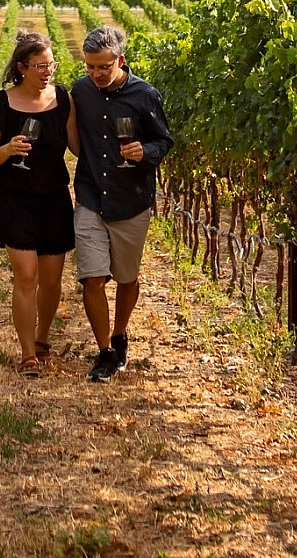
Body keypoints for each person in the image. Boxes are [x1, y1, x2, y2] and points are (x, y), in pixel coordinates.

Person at [69, 26, 172, 383]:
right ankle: (105, 352)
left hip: (131, 200)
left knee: (127, 278)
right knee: (92, 278)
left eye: (103, 67)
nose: (96, 74)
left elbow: (164, 141)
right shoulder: (80, 91)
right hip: (90, 196)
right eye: (90, 67)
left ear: (120, 60)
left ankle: (120, 333)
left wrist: (145, 152)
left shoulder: (145, 95)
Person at [0, 31, 75, 377]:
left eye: (51, 64)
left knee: (51, 281)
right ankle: (27, 353)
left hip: (55, 200)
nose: (47, 71)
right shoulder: (1, 105)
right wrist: (7, 150)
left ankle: (43, 338)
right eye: (40, 66)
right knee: (27, 277)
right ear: (21, 68)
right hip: (15, 200)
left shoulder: (63, 99)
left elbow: (76, 146)